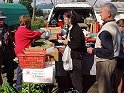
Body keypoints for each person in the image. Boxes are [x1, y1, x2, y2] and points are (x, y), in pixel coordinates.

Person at [87, 2, 120, 93]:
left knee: (104, 89)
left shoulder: (106, 29)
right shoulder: (114, 25)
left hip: (105, 62)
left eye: (101, 12)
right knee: (108, 88)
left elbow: (108, 51)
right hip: (111, 61)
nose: (99, 14)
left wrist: (93, 50)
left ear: (109, 14)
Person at [14, 15, 45, 91]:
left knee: (21, 67)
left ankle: (20, 84)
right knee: (21, 68)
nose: (29, 25)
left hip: (20, 50)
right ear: (26, 23)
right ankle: (19, 86)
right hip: (23, 52)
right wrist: (42, 31)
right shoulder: (23, 30)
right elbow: (34, 34)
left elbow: (30, 34)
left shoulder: (20, 29)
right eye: (29, 23)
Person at [61, 10, 86, 93]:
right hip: (74, 56)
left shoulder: (76, 29)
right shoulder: (72, 28)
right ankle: (75, 89)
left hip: (76, 57)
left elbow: (77, 44)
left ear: (70, 19)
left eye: (65, 18)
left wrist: (67, 42)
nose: (63, 19)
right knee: (73, 75)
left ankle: (79, 90)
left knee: (76, 77)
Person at [0, 11, 15, 85]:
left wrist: (12, 51)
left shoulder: (7, 27)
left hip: (7, 51)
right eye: (0, 19)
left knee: (10, 68)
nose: (1, 21)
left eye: (2, 19)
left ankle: (10, 82)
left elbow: (11, 40)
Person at [116, 19, 124, 93]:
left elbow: (122, 48)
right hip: (120, 57)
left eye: (118, 26)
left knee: (119, 76)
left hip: (121, 58)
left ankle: (119, 91)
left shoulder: (121, 35)